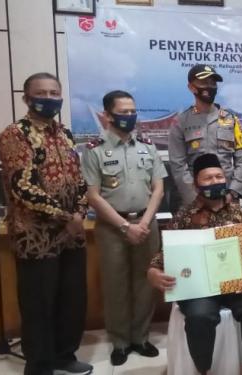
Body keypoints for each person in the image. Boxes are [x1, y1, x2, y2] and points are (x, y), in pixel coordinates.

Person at [0, 72, 92, 375]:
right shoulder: (16, 134)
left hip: (72, 234)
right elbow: (23, 188)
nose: (49, 98)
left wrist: (78, 213)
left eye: (54, 93)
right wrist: (67, 217)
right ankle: (39, 366)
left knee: (72, 299)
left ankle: (65, 355)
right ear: (27, 98)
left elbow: (79, 181)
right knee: (38, 304)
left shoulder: (64, 134)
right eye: (42, 93)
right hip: (36, 236)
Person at [147, 154, 242, 375]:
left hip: (236, 285)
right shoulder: (184, 216)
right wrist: (153, 271)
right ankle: (203, 369)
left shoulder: (240, 214)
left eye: (219, 176)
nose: (215, 182)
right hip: (199, 289)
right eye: (208, 178)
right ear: (196, 184)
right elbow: (164, 253)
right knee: (200, 317)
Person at [81, 90, 166, 365]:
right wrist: (123, 226)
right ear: (107, 115)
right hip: (111, 227)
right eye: (123, 111)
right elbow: (93, 195)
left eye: (132, 111)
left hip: (145, 223)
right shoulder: (94, 149)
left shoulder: (148, 145)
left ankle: (141, 338)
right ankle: (120, 341)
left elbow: (158, 188)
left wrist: (142, 223)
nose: (129, 116)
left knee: (146, 281)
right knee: (115, 284)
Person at [168, 64, 242, 206]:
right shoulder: (181, 122)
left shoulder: (231, 120)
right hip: (197, 201)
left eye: (213, 83)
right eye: (204, 83)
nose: (209, 87)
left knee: (233, 229)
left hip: (228, 198)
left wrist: (233, 192)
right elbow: (178, 164)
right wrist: (194, 198)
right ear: (192, 87)